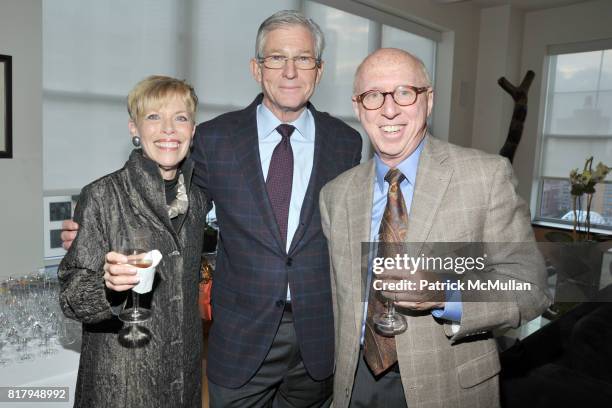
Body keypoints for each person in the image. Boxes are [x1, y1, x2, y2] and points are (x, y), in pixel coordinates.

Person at [62, 10, 362, 407]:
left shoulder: (347, 143)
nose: (290, 70)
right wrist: (98, 232)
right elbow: (169, 200)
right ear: (257, 68)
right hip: (240, 341)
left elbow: (356, 225)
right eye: (276, 58)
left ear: (319, 70)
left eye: (303, 58)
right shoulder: (215, 139)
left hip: (317, 341)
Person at [319, 48, 551, 408]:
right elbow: (340, 300)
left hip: (450, 388)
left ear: (429, 100)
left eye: (405, 92)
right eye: (373, 95)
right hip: (355, 384)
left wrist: (447, 293)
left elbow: (530, 286)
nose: (389, 108)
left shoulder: (485, 176)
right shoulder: (336, 195)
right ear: (358, 107)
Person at [58, 75, 209, 408]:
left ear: (193, 130)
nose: (168, 129)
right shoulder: (102, 196)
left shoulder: (197, 202)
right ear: (134, 129)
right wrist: (108, 287)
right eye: (154, 117)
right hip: (121, 383)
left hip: (183, 381)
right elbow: (70, 297)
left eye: (180, 117)